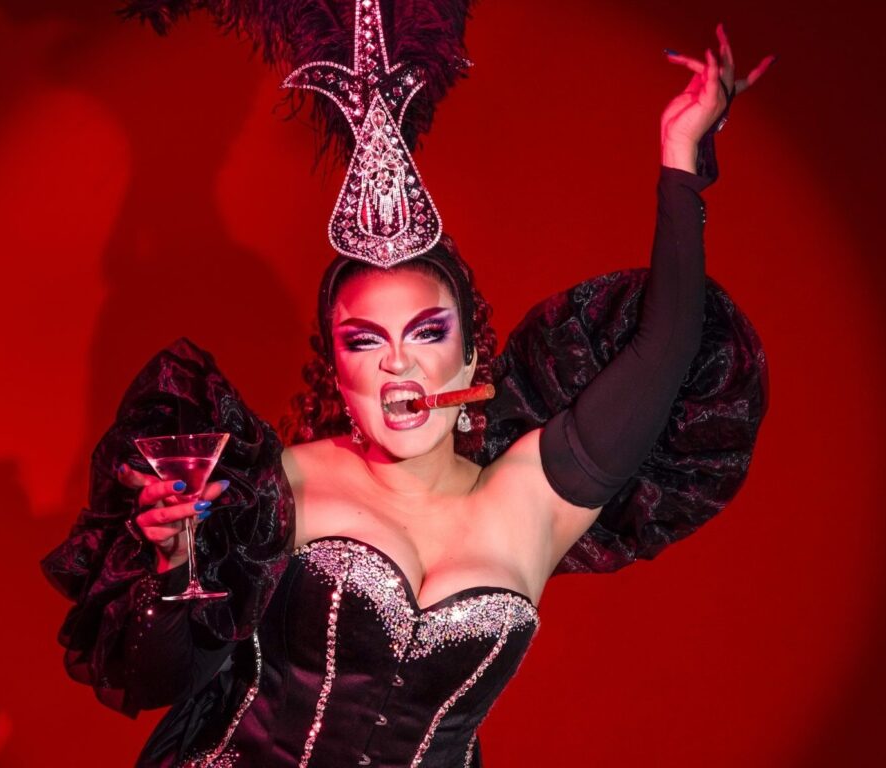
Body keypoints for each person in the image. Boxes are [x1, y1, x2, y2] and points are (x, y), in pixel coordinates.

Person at [42, 4, 772, 766]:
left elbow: (667, 350)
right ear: (338, 371)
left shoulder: (530, 501)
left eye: (427, 332)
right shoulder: (279, 487)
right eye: (366, 341)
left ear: (470, 357)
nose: (400, 363)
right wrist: (175, 564)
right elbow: (159, 680)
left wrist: (679, 159)